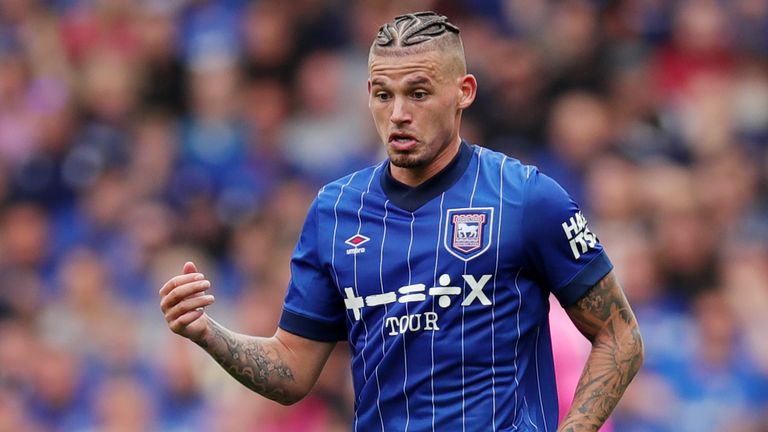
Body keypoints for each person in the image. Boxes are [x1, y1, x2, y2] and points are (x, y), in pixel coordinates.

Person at [159, 11, 643, 431]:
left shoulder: (526, 198)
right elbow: (292, 370)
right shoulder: (334, 211)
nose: (399, 115)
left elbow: (620, 336)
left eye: (418, 93)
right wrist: (207, 333)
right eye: (384, 95)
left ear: (464, 92)